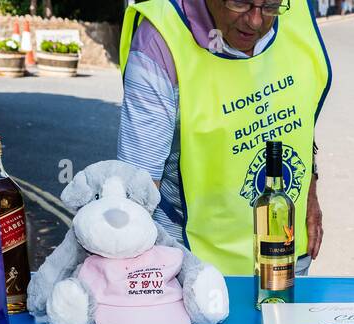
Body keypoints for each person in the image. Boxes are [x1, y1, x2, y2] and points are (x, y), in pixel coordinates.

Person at [117, 0, 331, 277]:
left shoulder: (297, 10)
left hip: (284, 255)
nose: (255, 21)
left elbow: (300, 111)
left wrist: (310, 191)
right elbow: (138, 191)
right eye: (240, 2)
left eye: (270, 6)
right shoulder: (160, 40)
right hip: (194, 271)